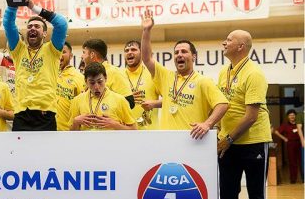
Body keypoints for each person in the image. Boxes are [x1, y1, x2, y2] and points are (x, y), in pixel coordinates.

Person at [216, 29, 272, 199]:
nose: (224, 42)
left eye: (228, 40)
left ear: (241, 46)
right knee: (228, 193)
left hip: (253, 142)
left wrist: (228, 139)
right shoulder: (224, 72)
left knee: (256, 194)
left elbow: (251, 116)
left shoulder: (254, 73)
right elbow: (221, 106)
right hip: (228, 143)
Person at [140, 10, 228, 139]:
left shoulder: (203, 81)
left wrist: (207, 124)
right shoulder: (166, 76)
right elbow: (147, 58)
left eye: (184, 52)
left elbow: (223, 104)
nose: (179, 55)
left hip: (192, 141)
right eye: (176, 53)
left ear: (194, 57)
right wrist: (146, 31)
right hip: (166, 140)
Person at [2, 0, 68, 131]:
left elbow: (62, 24)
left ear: (44, 33)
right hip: (21, 114)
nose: (32, 28)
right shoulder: (18, 50)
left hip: (45, 114)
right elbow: (8, 24)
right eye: (29, 26)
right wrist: (15, 0)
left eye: (37, 27)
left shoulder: (52, 49)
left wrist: (33, 8)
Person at [70, 62, 136, 131]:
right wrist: (76, 122)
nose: (96, 87)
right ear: (86, 81)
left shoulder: (120, 100)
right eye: (92, 83)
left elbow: (134, 129)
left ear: (105, 78)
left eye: (100, 82)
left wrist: (115, 125)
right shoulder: (77, 100)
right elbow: (71, 133)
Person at [81, 39, 134, 109]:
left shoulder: (115, 72)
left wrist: (105, 108)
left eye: (84, 52)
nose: (82, 56)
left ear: (92, 55)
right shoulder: (87, 75)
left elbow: (129, 102)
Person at [123, 40, 161, 130]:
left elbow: (169, 99)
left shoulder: (152, 74)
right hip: (125, 131)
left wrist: (154, 104)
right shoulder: (118, 75)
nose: (129, 52)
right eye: (126, 50)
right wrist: (127, 100)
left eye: (133, 49)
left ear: (142, 53)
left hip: (150, 132)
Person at [56, 42, 85, 131]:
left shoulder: (79, 77)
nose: (59, 54)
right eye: (56, 51)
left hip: (68, 132)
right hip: (46, 130)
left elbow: (83, 107)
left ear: (71, 56)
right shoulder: (47, 75)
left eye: (63, 52)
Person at [274, 109, 302, 184]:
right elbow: (276, 131)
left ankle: (303, 179)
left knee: (301, 161)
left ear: (295, 116)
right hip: (290, 144)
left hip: (300, 143)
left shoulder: (299, 124)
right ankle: (293, 180)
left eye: (293, 115)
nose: (292, 116)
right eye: (290, 115)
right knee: (292, 162)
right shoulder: (285, 125)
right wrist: (284, 138)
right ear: (288, 117)